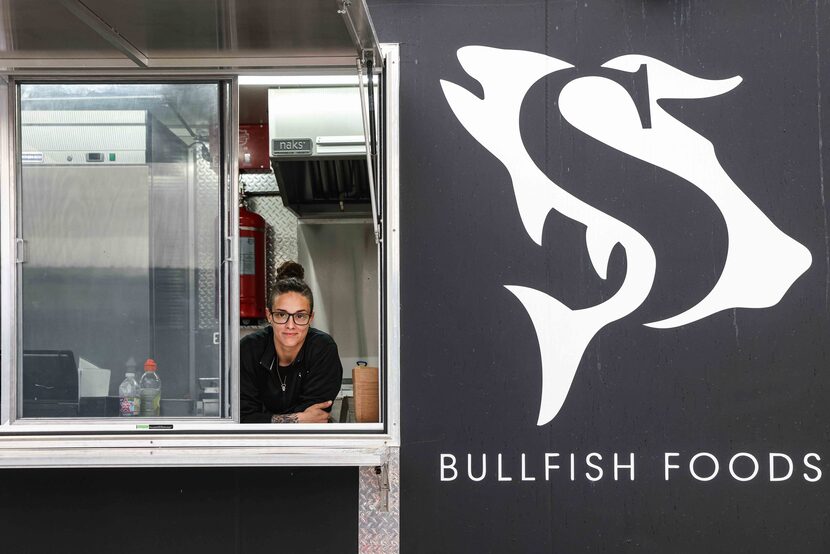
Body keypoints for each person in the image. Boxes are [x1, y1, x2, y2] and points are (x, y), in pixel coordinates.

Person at [240, 261, 342, 423]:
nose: (290, 325)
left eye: (300, 316)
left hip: (311, 445)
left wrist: (267, 418)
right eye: (281, 314)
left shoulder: (323, 349)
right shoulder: (249, 349)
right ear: (269, 315)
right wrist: (298, 419)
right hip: (258, 444)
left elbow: (316, 418)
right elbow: (243, 418)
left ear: (311, 318)